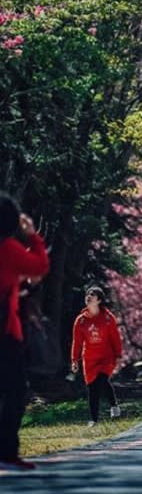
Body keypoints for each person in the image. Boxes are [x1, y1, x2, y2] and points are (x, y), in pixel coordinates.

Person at [0, 193, 49, 471]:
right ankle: (6, 450)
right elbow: (39, 266)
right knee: (14, 390)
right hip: (7, 333)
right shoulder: (8, 249)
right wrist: (33, 237)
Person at [70, 287, 123, 427]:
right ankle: (93, 419)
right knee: (92, 388)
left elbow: (115, 337)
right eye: (87, 294)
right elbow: (77, 341)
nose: (88, 297)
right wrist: (74, 359)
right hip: (89, 358)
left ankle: (114, 406)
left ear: (99, 300)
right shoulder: (80, 320)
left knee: (102, 380)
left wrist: (118, 355)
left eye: (92, 295)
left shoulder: (107, 317)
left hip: (107, 356)